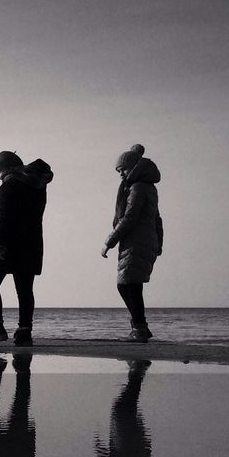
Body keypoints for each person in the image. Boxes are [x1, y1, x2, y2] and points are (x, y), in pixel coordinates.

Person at [0, 150, 54, 346]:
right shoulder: (38, 186)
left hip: (9, 242)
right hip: (32, 243)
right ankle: (24, 331)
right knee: (24, 289)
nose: (0, 177)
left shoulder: (9, 186)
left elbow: (4, 218)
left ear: (8, 168)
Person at [101, 144, 163, 343]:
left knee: (130, 285)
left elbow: (129, 217)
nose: (121, 174)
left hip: (137, 241)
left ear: (135, 168)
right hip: (141, 240)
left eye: (123, 170)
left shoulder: (138, 188)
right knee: (129, 285)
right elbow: (157, 219)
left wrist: (109, 242)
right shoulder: (147, 187)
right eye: (118, 171)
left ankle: (139, 329)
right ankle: (140, 326)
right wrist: (158, 242)